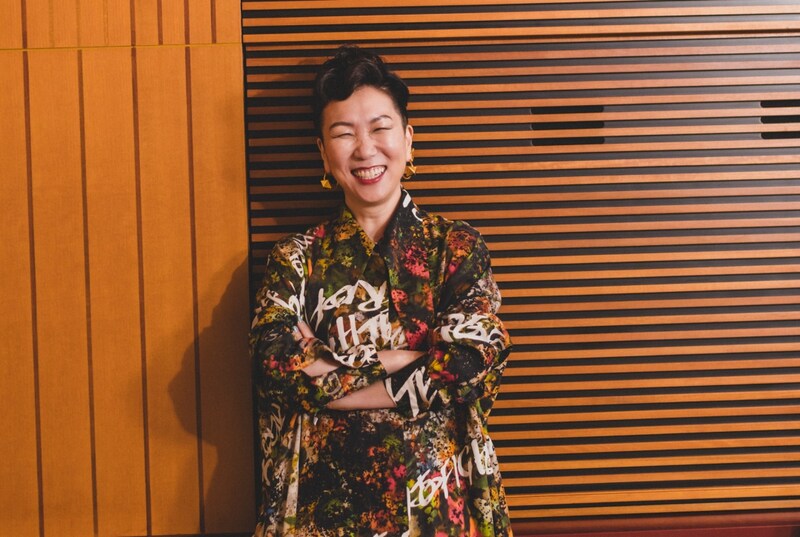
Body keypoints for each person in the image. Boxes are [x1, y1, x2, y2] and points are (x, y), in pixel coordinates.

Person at [250, 44, 513, 537]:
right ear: (323, 153)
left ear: (408, 140)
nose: (365, 149)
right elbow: (274, 365)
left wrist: (330, 385)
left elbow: (470, 363)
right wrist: (406, 358)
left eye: (380, 128)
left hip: (441, 510)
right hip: (320, 514)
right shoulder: (296, 258)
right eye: (343, 133)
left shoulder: (455, 248)